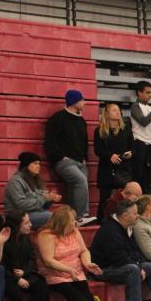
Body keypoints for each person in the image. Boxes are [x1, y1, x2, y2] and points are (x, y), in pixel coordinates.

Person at [37, 205, 111, 301]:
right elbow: (48, 260)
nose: (75, 223)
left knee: (83, 288)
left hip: (74, 271)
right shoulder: (46, 235)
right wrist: (68, 270)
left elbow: (84, 250)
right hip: (54, 273)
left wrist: (87, 264)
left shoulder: (74, 231)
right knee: (68, 289)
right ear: (62, 222)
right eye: (72, 220)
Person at [45, 89, 94, 225]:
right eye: (82, 100)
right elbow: (50, 141)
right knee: (80, 181)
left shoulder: (81, 120)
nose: (84, 102)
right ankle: (81, 216)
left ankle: (72, 218)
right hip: (64, 161)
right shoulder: (58, 118)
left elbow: (84, 141)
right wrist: (61, 157)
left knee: (76, 187)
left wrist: (84, 158)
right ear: (74, 102)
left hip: (80, 161)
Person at [1, 211, 50, 301]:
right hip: (7, 276)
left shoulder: (25, 238)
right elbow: (1, 266)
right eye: (27, 223)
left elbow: (31, 259)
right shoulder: (4, 240)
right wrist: (17, 279)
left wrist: (24, 272)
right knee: (15, 292)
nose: (31, 225)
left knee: (41, 286)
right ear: (17, 225)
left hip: (24, 273)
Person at [94, 101, 134, 218]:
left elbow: (133, 148)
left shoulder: (126, 129)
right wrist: (110, 156)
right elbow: (97, 150)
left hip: (123, 168)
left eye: (118, 110)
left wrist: (130, 153)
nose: (118, 112)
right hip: (106, 168)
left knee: (124, 200)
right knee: (104, 199)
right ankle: (102, 222)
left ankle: (123, 221)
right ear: (107, 114)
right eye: (114, 110)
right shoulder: (99, 130)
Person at [4, 152, 61, 229]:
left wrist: (50, 199)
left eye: (39, 164)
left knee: (63, 216)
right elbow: (21, 205)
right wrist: (44, 198)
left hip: (36, 213)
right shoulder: (15, 181)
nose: (38, 166)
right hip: (19, 217)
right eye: (35, 164)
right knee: (52, 217)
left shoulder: (37, 181)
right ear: (26, 165)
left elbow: (43, 206)